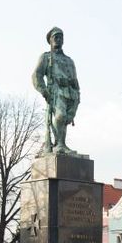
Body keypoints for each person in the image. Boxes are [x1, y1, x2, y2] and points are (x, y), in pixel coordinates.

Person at [31, 26, 80, 155]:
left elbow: (75, 80)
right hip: (56, 91)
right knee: (60, 116)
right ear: (50, 40)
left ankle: (61, 144)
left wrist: (77, 96)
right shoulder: (46, 57)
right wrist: (44, 90)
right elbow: (36, 75)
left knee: (66, 119)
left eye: (60, 37)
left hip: (71, 93)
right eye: (55, 37)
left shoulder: (69, 60)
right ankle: (60, 145)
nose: (58, 39)